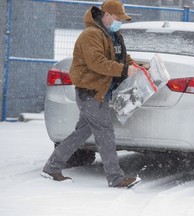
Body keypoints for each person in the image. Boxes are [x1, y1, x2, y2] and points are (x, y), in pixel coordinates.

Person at [41, 0, 142, 189]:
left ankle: (52, 167)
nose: (121, 22)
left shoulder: (112, 34)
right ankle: (115, 178)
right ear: (107, 15)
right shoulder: (91, 35)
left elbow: (122, 57)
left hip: (100, 93)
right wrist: (123, 70)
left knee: (82, 133)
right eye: (118, 18)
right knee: (105, 133)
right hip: (91, 93)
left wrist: (135, 66)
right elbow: (97, 62)